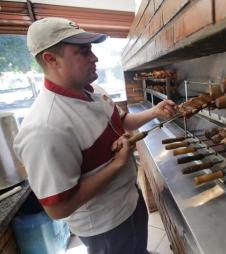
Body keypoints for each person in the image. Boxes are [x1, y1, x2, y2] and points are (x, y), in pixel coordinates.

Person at [13, 17, 177, 254]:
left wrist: (155, 112)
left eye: (91, 49)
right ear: (51, 59)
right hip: (106, 225)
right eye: (83, 52)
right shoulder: (44, 129)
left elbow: (122, 122)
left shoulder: (93, 91)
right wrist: (117, 164)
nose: (95, 58)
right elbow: (58, 209)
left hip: (129, 198)